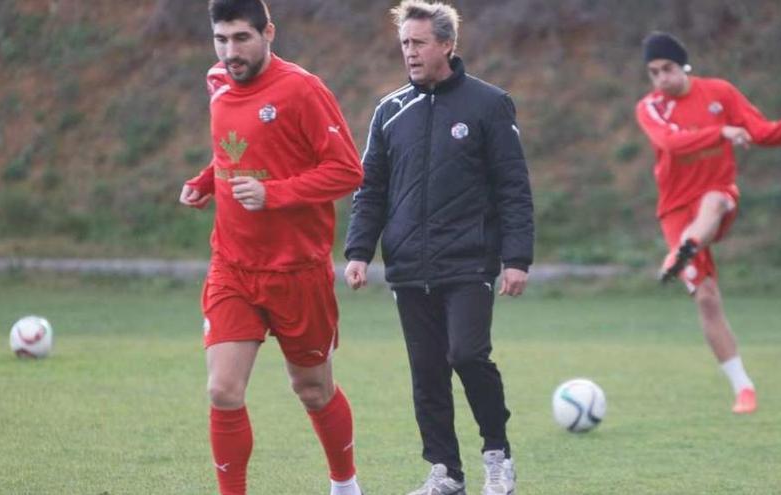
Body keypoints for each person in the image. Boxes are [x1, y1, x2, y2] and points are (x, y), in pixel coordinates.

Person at [344, 2, 533, 494]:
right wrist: (358, 251)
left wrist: (516, 259)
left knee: (467, 355)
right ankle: (445, 472)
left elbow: (513, 187)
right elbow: (372, 189)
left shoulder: (489, 105)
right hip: (408, 267)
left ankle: (498, 454)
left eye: (419, 42)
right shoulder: (389, 111)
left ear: (447, 44)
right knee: (427, 374)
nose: (410, 51)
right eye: (405, 43)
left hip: (469, 261)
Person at [179, 1, 365, 494]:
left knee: (312, 388)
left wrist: (273, 194)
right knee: (222, 389)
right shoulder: (218, 81)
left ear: (269, 33)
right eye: (221, 39)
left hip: (296, 270)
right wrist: (207, 181)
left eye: (241, 38)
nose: (230, 52)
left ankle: (345, 485)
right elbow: (235, 147)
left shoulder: (302, 90)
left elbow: (347, 170)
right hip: (233, 266)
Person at [635, 32, 781, 414]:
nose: (661, 78)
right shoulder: (650, 107)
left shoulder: (720, 92)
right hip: (675, 210)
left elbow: (761, 132)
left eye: (668, 68)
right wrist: (722, 132)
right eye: (653, 71)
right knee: (708, 299)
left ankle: (683, 250)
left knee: (715, 199)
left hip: (717, 196)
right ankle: (744, 388)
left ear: (684, 65)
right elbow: (672, 143)